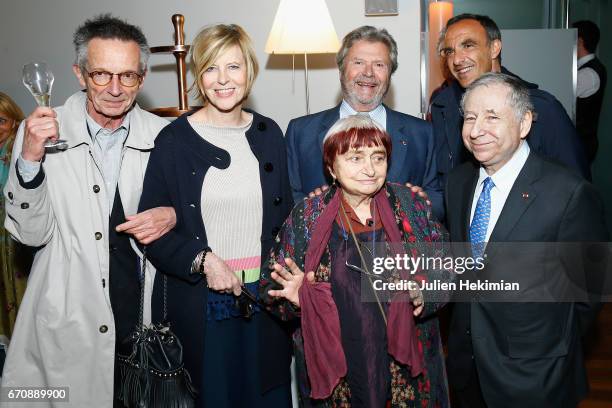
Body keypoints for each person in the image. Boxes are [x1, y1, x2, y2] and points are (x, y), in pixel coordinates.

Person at [1, 15, 175, 408]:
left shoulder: (164, 137)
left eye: (128, 76)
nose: (115, 89)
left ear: (142, 79)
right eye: (101, 75)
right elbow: (29, 234)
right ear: (79, 74)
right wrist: (29, 159)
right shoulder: (39, 134)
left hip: (141, 321)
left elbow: (192, 217)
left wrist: (174, 216)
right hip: (66, 322)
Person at [138, 24, 293, 407]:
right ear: (198, 76)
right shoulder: (173, 140)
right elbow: (151, 231)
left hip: (264, 305)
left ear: (250, 72)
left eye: (233, 67)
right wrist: (202, 260)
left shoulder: (269, 133)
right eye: (210, 68)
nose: (223, 80)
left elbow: (287, 219)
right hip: (201, 308)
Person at [260, 115, 452, 407]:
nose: (370, 169)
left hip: (408, 370)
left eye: (378, 157)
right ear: (331, 168)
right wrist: (298, 298)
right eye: (355, 158)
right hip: (338, 374)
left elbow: (450, 266)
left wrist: (423, 291)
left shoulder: (411, 205)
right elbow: (270, 286)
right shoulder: (308, 217)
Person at [444, 72, 608, 407]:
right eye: (470, 118)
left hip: (534, 375)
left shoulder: (569, 193)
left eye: (492, 117)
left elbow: (588, 294)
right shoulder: (458, 182)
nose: (476, 131)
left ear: (524, 123)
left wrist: (544, 346)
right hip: (466, 366)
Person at [286, 25, 443, 220]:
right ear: (342, 69)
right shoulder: (301, 131)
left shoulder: (422, 133)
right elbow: (289, 196)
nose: (368, 73)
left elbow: (438, 199)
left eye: (379, 65)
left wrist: (421, 203)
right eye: (358, 62)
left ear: (390, 74)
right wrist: (310, 209)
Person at [432, 13, 590, 185]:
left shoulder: (541, 108)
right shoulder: (443, 107)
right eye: (449, 51)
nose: (456, 59)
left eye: (468, 45)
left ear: (494, 48)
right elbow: (442, 185)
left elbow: (576, 189)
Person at [0, 93, 31, 341]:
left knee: (21, 290)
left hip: (16, 236)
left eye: (1, 120)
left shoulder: (18, 147)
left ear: (14, 120)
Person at [573, 20, 607, 163]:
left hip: (581, 143)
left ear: (579, 41)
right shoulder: (589, 69)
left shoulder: (587, 73)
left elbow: (561, 97)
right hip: (581, 142)